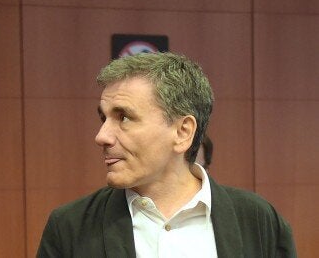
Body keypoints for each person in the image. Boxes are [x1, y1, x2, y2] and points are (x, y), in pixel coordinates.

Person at [37, 53, 296, 257]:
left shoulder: (258, 220)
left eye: (124, 117)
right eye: (103, 118)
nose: (101, 136)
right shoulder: (70, 227)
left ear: (183, 132)